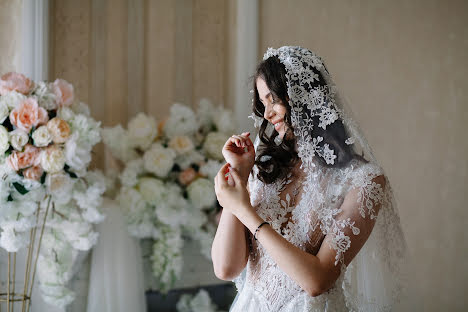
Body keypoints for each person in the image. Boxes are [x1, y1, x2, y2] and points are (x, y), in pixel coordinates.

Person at [211, 46, 408, 311]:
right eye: (263, 102)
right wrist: (240, 177)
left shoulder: (364, 181)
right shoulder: (265, 169)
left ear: (303, 96)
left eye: (273, 100)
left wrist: (244, 210)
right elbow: (226, 267)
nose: (267, 114)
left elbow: (318, 280)